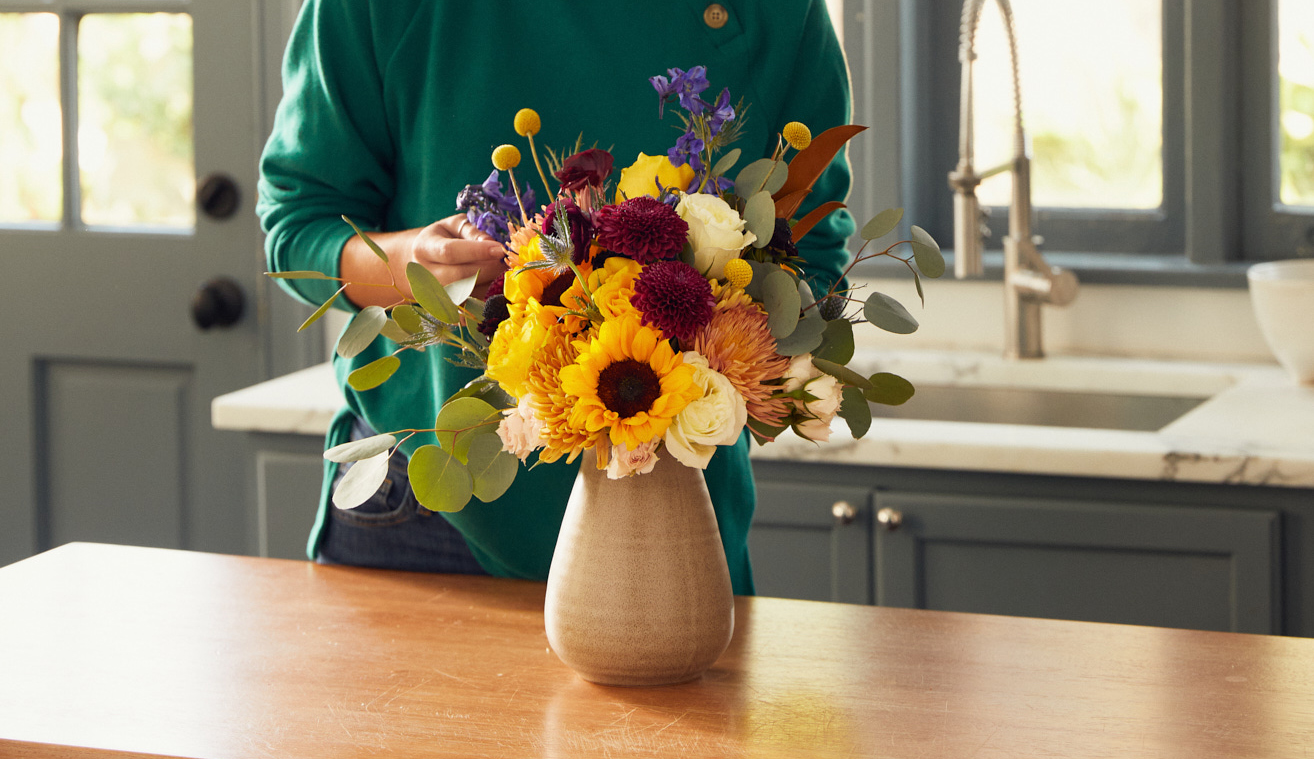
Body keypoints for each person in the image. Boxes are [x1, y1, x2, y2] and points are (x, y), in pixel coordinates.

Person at [257, 0, 856, 595]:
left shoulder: (782, 13)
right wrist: (414, 263)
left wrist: (748, 358)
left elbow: (813, 252)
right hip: (431, 516)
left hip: (677, 513)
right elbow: (300, 223)